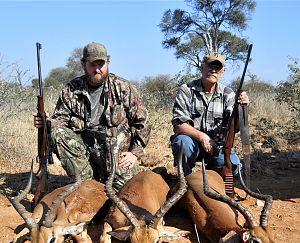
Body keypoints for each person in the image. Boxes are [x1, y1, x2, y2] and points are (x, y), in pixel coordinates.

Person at [34, 42, 151, 190]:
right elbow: (60, 121)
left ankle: (105, 179)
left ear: (107, 62)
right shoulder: (72, 89)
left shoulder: (123, 87)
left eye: (101, 64)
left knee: (127, 192)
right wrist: (46, 122)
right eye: (92, 65)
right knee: (57, 133)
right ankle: (84, 180)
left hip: (115, 156)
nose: (97, 69)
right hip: (85, 153)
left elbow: (143, 122)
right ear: (84, 64)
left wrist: (134, 153)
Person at [171, 52, 250, 176]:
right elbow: (179, 125)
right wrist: (203, 137)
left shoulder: (228, 94)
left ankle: (212, 172)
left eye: (217, 68)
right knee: (181, 143)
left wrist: (242, 108)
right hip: (192, 143)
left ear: (222, 72)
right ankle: (185, 180)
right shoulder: (186, 90)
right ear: (202, 68)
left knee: (235, 170)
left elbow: (235, 128)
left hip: (217, 146)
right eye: (210, 66)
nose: (213, 71)